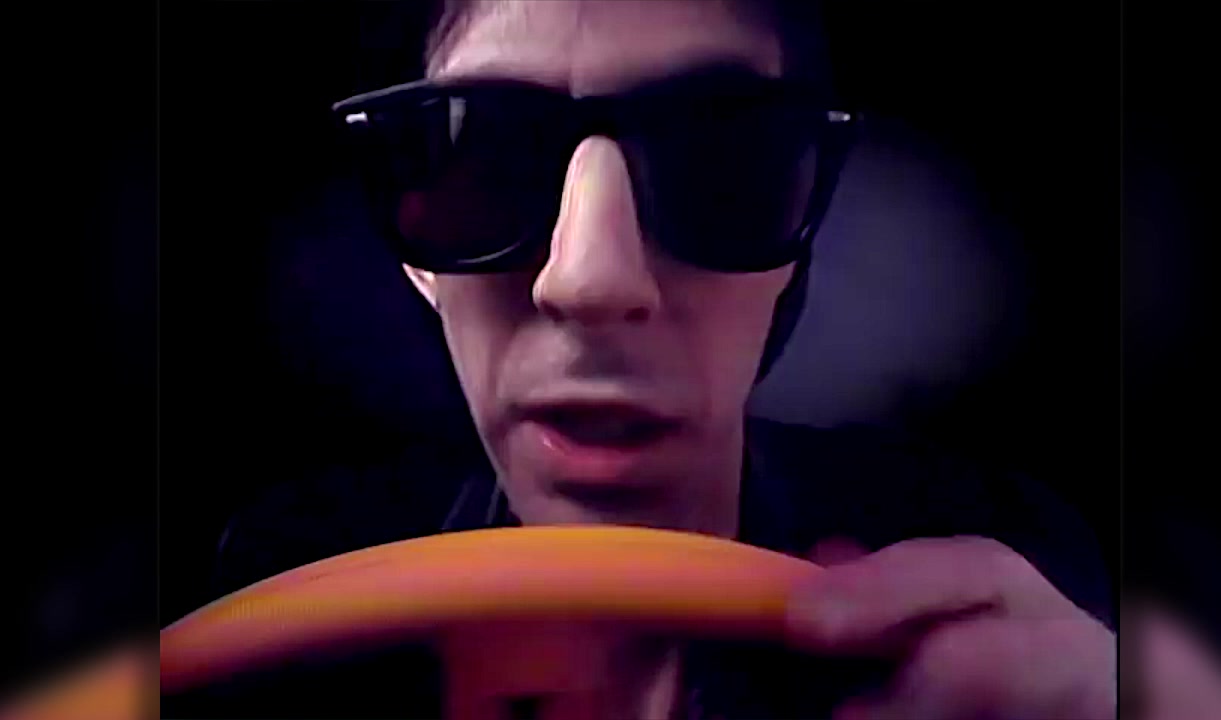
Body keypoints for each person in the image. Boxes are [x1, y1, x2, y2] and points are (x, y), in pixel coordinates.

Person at [191, 1, 1118, 718]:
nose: (592, 281)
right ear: (417, 264)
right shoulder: (274, 593)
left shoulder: (1010, 563)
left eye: (726, 161)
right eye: (486, 164)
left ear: (800, 239)